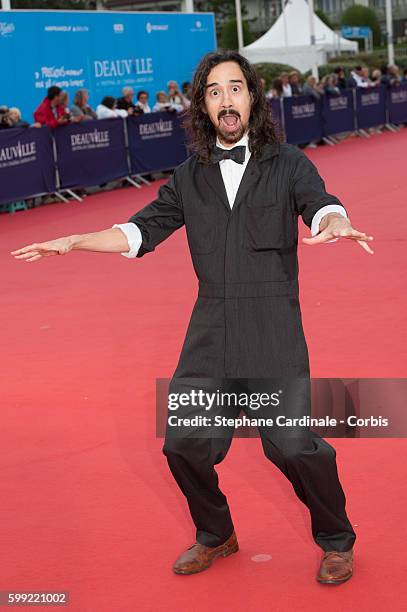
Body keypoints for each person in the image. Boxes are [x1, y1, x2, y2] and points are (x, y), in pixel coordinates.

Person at [11, 51, 374, 584]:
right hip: (209, 327)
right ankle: (215, 533)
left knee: (294, 445)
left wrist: (336, 222)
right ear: (203, 106)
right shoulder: (187, 177)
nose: (226, 99)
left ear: (252, 97)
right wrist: (74, 241)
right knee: (182, 442)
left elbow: (320, 204)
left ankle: (336, 539)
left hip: (272, 324)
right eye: (214, 91)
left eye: (235, 88)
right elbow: (138, 232)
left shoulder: (289, 162)